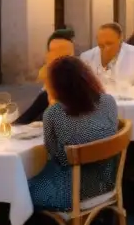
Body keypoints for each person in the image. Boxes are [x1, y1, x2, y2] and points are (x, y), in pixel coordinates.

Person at [27, 56, 120, 211]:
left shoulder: (54, 113)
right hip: (106, 182)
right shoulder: (108, 102)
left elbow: (53, 155)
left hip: (71, 192)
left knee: (21, 188)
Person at [18, 28, 76, 125]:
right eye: (54, 51)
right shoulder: (48, 72)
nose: (59, 57)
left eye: (65, 54)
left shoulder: (75, 75)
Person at [80, 23, 134, 88]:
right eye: (101, 45)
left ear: (120, 40)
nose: (106, 49)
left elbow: (128, 80)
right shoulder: (87, 57)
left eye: (109, 44)